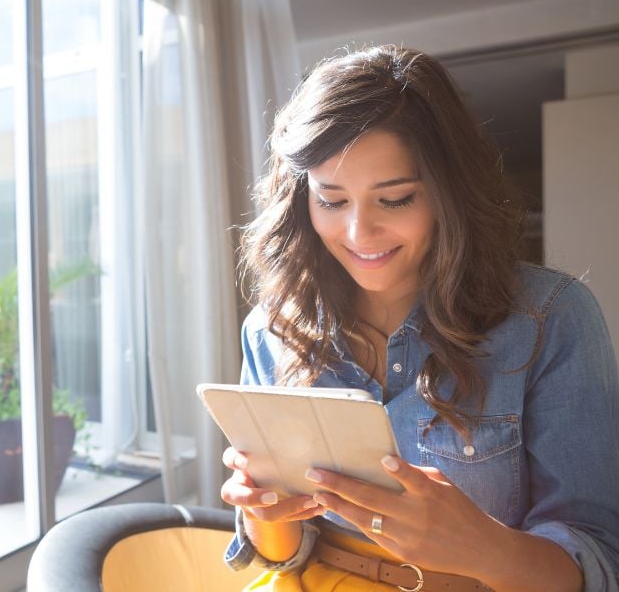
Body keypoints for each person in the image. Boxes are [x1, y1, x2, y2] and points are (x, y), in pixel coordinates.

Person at [220, 45, 619, 592]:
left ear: (448, 193)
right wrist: (262, 512)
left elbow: (599, 561)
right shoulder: (273, 329)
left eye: (395, 199)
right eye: (332, 201)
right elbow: (284, 559)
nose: (359, 236)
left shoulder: (549, 317)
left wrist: (482, 545)